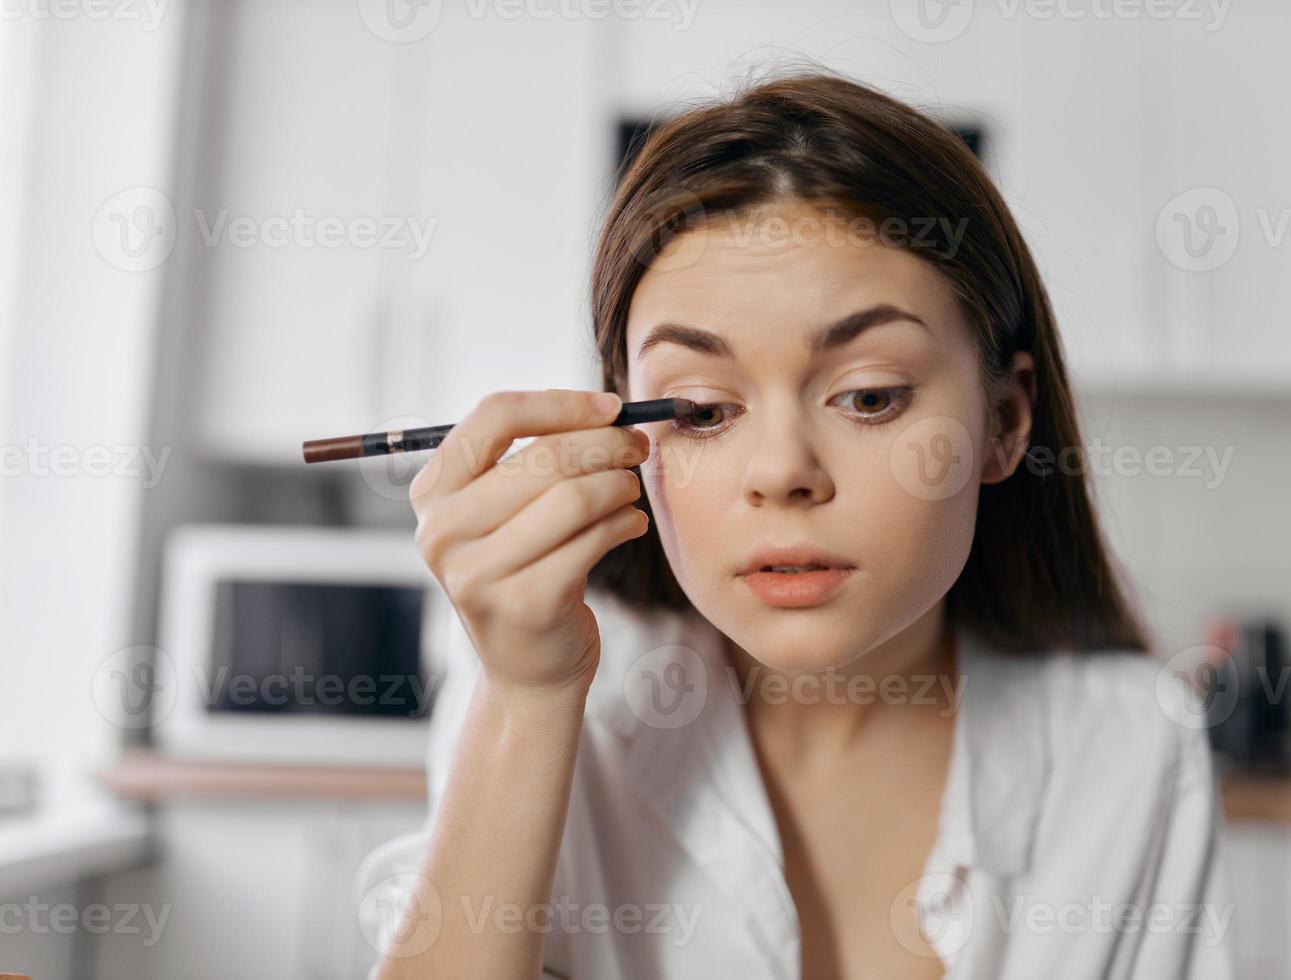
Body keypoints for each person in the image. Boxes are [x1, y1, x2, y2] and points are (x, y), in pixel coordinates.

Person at [355, 66, 1236, 979]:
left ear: (1005, 423)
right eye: (698, 409)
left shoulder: (1131, 748)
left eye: (868, 395)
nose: (782, 472)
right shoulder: (546, 689)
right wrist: (527, 700)